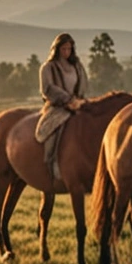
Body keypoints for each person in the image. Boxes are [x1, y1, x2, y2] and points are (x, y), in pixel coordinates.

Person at [35, 33, 89, 189]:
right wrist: (67, 100)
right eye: (64, 49)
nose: (66, 52)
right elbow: (48, 89)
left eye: (69, 49)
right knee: (55, 128)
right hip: (57, 106)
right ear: (57, 49)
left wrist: (78, 100)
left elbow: (83, 84)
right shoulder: (47, 67)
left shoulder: (77, 66)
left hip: (77, 103)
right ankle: (52, 161)